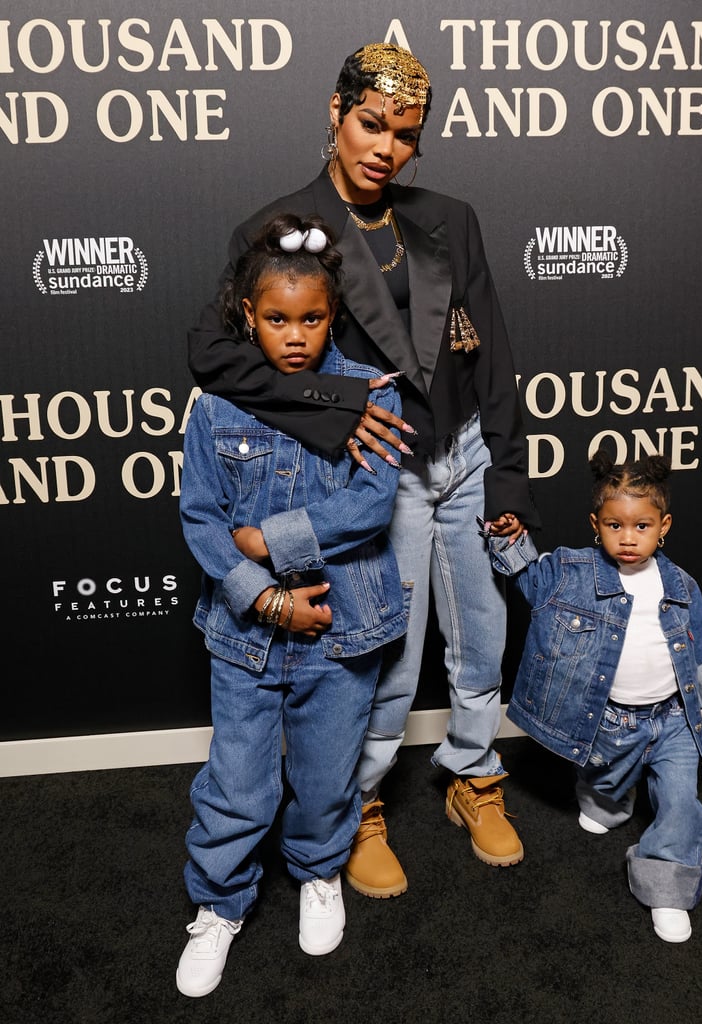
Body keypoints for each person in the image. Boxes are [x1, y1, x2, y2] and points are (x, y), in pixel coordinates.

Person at [188, 42, 537, 898]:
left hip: (463, 454)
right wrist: (340, 408)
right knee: (383, 655)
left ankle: (473, 775)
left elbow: (489, 345)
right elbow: (211, 354)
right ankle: (360, 805)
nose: (385, 146)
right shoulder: (278, 226)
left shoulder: (449, 217)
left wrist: (510, 470)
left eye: (405, 134)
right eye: (370, 123)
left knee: (481, 638)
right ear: (335, 115)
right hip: (379, 474)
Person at [176, 213, 408, 998]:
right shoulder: (214, 407)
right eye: (277, 319)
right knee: (238, 784)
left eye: (311, 318)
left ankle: (317, 873)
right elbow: (202, 520)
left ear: (332, 314)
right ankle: (218, 903)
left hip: (342, 635)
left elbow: (371, 507)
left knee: (324, 777)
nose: (296, 335)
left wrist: (268, 541)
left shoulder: (372, 399)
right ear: (248, 316)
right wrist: (266, 598)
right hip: (246, 637)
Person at [485, 450, 702, 943]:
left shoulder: (681, 585)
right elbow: (527, 577)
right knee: (607, 776)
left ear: (663, 526)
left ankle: (667, 886)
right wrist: (506, 538)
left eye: (641, 526)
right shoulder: (570, 572)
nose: (627, 537)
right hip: (610, 719)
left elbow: (700, 641)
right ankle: (605, 801)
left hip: (673, 718)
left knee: (682, 802)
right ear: (595, 524)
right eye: (614, 525)